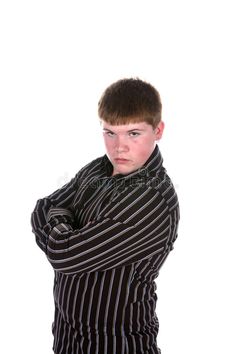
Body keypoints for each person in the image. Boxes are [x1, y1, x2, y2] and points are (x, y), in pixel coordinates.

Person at [31, 78, 180, 354]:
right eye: (110, 133)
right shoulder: (98, 169)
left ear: (158, 130)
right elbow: (43, 207)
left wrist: (60, 231)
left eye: (133, 133)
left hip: (117, 345)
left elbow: (66, 256)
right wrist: (64, 233)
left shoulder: (152, 198)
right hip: (67, 342)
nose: (119, 147)